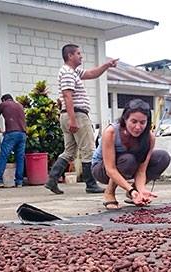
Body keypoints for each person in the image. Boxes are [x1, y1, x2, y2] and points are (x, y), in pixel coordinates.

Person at [45, 44, 118, 195]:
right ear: (70, 56)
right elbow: (67, 96)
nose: (81, 56)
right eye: (78, 53)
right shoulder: (67, 73)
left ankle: (52, 179)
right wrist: (73, 120)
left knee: (69, 151)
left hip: (69, 115)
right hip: (76, 115)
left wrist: (106, 65)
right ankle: (91, 184)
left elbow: (91, 73)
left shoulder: (74, 72)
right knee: (88, 150)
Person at [91, 99, 171, 210]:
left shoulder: (149, 137)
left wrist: (141, 190)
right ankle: (109, 193)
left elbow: (141, 170)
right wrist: (130, 189)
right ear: (125, 119)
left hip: (130, 165)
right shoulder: (111, 132)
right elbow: (110, 169)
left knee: (162, 157)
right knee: (128, 159)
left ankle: (135, 194)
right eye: (134, 122)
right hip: (102, 169)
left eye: (142, 122)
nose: (138, 127)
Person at [0, 94, 27, 188]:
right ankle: (19, 182)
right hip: (22, 134)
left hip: (11, 134)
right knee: (20, 158)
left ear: (3, 100)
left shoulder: (3, 104)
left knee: (3, 156)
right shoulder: (20, 105)